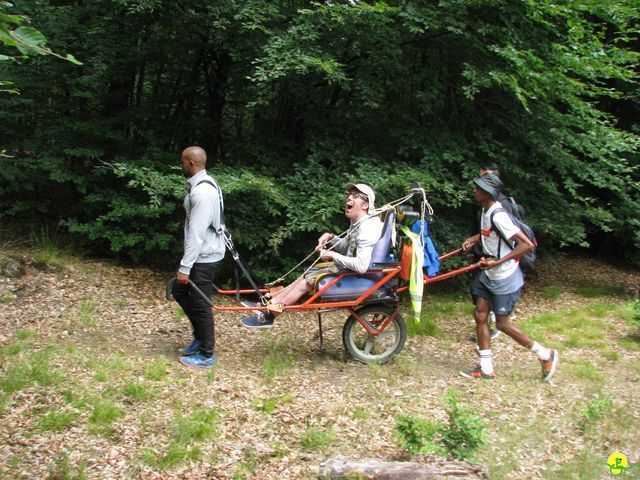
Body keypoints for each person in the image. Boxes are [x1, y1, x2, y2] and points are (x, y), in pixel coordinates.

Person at [240, 183, 383, 328]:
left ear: (365, 205)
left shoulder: (367, 229)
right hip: (347, 271)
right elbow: (346, 246)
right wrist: (330, 236)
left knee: (306, 283)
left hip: (357, 277)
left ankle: (267, 317)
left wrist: (332, 255)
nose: (349, 198)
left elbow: (361, 266)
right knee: (306, 274)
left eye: (355, 196)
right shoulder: (358, 222)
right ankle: (266, 305)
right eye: (349, 194)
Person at [460, 173, 558, 380]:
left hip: (505, 276)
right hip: (489, 273)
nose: (474, 190)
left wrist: (496, 262)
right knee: (480, 315)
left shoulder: (498, 215)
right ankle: (485, 368)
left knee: (502, 324)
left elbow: (526, 244)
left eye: (478, 188)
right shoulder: (485, 211)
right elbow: (489, 233)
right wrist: (474, 239)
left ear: (488, 193)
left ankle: (545, 354)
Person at [171, 146, 225, 368]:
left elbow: (196, 232)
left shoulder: (202, 192)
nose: (181, 165)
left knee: (201, 303)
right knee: (179, 290)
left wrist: (185, 267)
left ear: (191, 164)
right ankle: (200, 338)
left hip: (206, 255)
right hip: (205, 253)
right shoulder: (204, 184)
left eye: (183, 162)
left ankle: (206, 354)